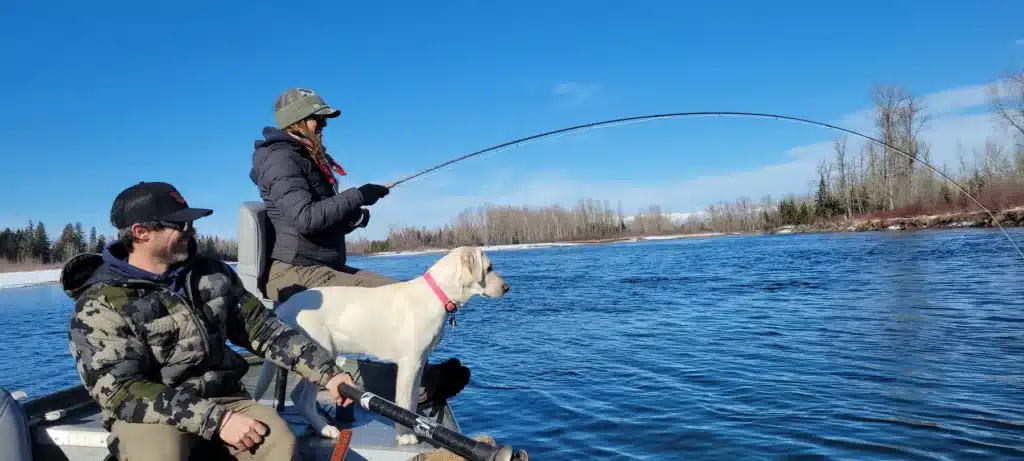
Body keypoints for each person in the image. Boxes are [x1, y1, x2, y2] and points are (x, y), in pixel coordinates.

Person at [62, 181, 357, 461]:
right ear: (140, 232)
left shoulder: (212, 274)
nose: (191, 231)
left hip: (222, 396)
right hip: (150, 414)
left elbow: (265, 331)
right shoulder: (99, 304)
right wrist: (218, 421)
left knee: (277, 442)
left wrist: (327, 373)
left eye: (191, 222)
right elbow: (120, 391)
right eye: (180, 224)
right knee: (159, 453)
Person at [249, 87, 396, 303]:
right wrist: (359, 195)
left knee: (404, 291)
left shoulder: (306, 158)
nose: (323, 125)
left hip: (323, 267)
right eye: (317, 119)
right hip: (295, 273)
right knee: (395, 299)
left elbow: (321, 217)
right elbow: (305, 218)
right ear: (296, 120)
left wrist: (352, 218)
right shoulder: (280, 159)